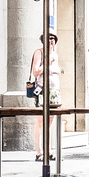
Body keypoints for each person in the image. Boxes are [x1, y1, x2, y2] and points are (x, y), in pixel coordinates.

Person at [28, 32, 62, 162]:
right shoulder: (39, 53)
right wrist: (47, 63)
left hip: (54, 91)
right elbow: (36, 71)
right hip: (42, 90)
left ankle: (48, 150)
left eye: (53, 38)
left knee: (50, 121)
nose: (51, 40)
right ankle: (39, 151)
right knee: (41, 120)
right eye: (48, 38)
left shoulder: (55, 55)